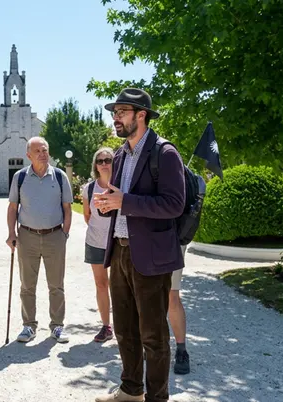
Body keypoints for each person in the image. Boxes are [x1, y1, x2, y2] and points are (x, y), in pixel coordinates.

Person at [93, 88, 186, 402]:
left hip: (151, 257)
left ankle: (157, 397)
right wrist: (108, 204)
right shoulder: (120, 154)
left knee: (153, 335)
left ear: (141, 115)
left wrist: (126, 202)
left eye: (122, 112)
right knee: (124, 329)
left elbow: (174, 204)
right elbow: (122, 200)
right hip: (120, 251)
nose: (115, 118)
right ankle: (131, 390)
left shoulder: (165, 153)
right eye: (114, 113)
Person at [6, 136, 73, 344]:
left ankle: (57, 326)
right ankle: (29, 326)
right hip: (27, 237)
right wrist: (11, 233)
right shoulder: (20, 177)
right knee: (27, 285)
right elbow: (12, 208)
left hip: (55, 236)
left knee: (56, 285)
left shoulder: (60, 176)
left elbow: (67, 208)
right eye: (38, 151)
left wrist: (64, 234)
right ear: (29, 155)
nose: (43, 154)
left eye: (45, 150)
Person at [81, 147, 115, 343]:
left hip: (118, 242)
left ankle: (125, 325)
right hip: (95, 241)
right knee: (101, 284)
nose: (104, 164)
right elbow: (87, 216)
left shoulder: (121, 186)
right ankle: (106, 326)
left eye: (108, 160)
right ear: (95, 165)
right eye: (100, 161)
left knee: (121, 286)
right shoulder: (89, 188)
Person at [169, 248, 190, 374]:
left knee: (172, 295)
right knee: (149, 296)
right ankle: (152, 343)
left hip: (172, 243)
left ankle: (181, 350)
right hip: (145, 243)